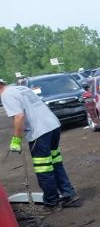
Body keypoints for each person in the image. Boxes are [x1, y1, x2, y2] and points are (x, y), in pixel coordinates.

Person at [0, 80, 80, 209]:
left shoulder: (6, 95)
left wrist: (16, 140)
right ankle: (69, 194)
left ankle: (51, 202)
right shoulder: (18, 89)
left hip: (40, 132)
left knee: (43, 169)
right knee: (55, 163)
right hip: (52, 126)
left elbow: (19, 117)